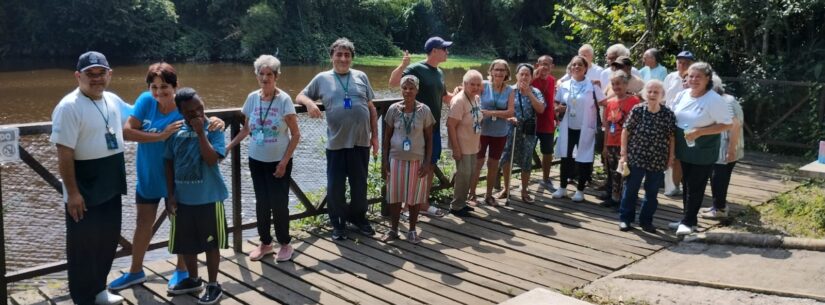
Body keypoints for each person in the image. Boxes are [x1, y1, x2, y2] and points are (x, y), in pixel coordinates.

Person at [108, 63, 224, 292]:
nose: (159, 92)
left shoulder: (181, 107)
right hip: (148, 174)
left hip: (177, 179)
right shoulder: (145, 101)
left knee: (177, 227)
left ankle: (182, 272)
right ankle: (135, 271)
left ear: (175, 86)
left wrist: (216, 119)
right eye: (155, 87)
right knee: (143, 223)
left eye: (165, 87)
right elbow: (127, 131)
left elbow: (200, 116)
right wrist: (161, 135)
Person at [51, 51, 127, 305]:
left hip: (111, 182)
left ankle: (99, 290)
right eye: (90, 74)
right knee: (83, 246)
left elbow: (143, 112)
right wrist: (72, 193)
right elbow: (64, 152)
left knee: (107, 239)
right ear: (78, 76)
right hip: (84, 186)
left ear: (109, 74)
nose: (96, 79)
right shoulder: (69, 106)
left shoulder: (112, 99)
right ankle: (82, 299)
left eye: (101, 73)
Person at [296, 38, 379, 240]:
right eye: (339, 54)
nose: (343, 58)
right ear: (332, 56)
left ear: (351, 58)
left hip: (361, 142)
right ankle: (338, 223)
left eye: (347, 55)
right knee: (335, 186)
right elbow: (300, 95)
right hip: (336, 143)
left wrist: (375, 136)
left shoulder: (361, 76)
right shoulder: (322, 78)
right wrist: (309, 104)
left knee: (359, 184)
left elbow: (371, 108)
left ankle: (359, 219)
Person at [226, 55, 301, 261]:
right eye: (262, 74)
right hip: (256, 160)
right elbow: (247, 128)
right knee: (261, 202)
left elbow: (296, 134)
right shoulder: (252, 98)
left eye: (270, 74)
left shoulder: (284, 100)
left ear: (276, 76)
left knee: (279, 203)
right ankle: (266, 243)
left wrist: (284, 162)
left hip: (279, 162)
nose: (265, 78)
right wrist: (228, 147)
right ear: (257, 76)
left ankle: (285, 243)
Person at [164, 88, 228, 304]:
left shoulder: (214, 129)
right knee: (186, 244)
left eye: (200, 108)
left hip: (209, 198)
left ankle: (213, 284)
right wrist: (170, 194)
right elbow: (168, 162)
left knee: (211, 244)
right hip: (183, 200)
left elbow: (212, 159)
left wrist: (201, 132)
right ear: (181, 112)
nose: (198, 114)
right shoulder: (174, 131)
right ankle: (193, 279)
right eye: (191, 112)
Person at [389, 36, 459, 217]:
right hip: (414, 129)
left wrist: (462, 94)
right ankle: (406, 206)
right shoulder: (416, 68)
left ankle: (422, 203)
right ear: (434, 50)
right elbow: (393, 83)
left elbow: (446, 98)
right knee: (411, 164)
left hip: (432, 128)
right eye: (444, 49)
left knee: (429, 165)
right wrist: (403, 65)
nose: (447, 52)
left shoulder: (440, 73)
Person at [669, 62, 733, 235]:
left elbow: (727, 124)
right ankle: (688, 219)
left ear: (707, 79)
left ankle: (688, 222)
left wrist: (700, 132)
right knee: (686, 184)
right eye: (690, 76)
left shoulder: (714, 99)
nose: (694, 79)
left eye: (698, 76)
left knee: (695, 185)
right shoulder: (683, 95)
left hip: (703, 148)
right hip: (685, 146)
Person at [381, 75, 435, 243]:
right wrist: (384, 162)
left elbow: (429, 138)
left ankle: (412, 230)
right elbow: (387, 137)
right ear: (401, 89)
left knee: (415, 197)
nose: (408, 91)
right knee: (395, 196)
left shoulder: (424, 110)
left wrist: (427, 162)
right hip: (396, 159)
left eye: (411, 88)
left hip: (417, 160)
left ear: (417, 90)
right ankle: (394, 230)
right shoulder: (393, 109)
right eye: (405, 88)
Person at [617, 80, 676, 232]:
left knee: (652, 193)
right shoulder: (638, 110)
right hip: (636, 156)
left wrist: (671, 157)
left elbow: (671, 137)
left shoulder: (668, 114)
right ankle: (625, 219)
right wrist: (623, 153)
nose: (652, 94)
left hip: (658, 159)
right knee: (630, 190)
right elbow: (626, 131)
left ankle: (646, 221)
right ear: (645, 94)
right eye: (649, 91)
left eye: (656, 92)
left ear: (661, 95)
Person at [552, 56, 606, 202]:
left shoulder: (592, 86)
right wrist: (558, 108)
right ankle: (562, 187)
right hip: (568, 127)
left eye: (580, 65)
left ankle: (580, 190)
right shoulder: (564, 85)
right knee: (565, 157)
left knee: (584, 158)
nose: (576, 67)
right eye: (574, 64)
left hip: (585, 128)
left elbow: (604, 102)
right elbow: (556, 102)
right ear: (570, 68)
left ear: (585, 68)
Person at [498, 64, 546, 203]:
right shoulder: (509, 90)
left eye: (527, 75)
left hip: (528, 131)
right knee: (506, 159)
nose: (524, 77)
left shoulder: (535, 91)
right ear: (517, 75)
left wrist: (529, 94)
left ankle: (524, 190)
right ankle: (506, 188)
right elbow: (501, 108)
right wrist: (508, 118)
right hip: (509, 129)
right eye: (522, 74)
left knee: (526, 160)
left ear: (531, 77)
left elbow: (541, 109)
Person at [470, 59, 514, 206]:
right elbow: (468, 90)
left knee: (493, 164)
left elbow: (510, 112)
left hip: (500, 132)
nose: (499, 73)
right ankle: (472, 195)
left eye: (502, 70)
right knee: (478, 163)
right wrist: (458, 90)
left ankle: (488, 195)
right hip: (481, 131)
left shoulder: (509, 90)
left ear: (507, 73)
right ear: (491, 71)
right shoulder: (483, 85)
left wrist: (490, 112)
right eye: (497, 69)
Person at [701, 75, 744, 219]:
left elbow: (735, 126)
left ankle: (719, 209)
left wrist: (731, 150)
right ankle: (717, 205)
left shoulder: (725, 101)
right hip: (721, 148)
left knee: (719, 179)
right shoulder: (724, 99)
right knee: (718, 178)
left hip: (725, 148)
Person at [446, 70, 484, 217]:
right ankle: (456, 206)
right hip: (461, 145)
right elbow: (450, 125)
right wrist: (455, 148)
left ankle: (462, 202)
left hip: (472, 144)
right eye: (471, 84)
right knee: (463, 174)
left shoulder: (476, 98)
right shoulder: (459, 101)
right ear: (464, 84)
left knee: (470, 174)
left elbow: (477, 120)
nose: (475, 87)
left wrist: (479, 141)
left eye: (478, 84)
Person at [601, 70, 641, 207]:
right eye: (613, 84)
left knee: (626, 172)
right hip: (612, 142)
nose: (616, 87)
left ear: (626, 84)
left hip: (627, 144)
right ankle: (615, 198)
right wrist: (605, 146)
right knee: (613, 172)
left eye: (618, 84)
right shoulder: (610, 102)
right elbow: (607, 126)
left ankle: (628, 199)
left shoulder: (634, 101)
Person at [662, 51, 695, 197]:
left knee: (682, 154)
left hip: (687, 123)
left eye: (686, 63)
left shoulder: (695, 79)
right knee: (669, 153)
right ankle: (671, 184)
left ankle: (678, 184)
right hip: (669, 120)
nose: (682, 65)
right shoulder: (670, 77)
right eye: (680, 62)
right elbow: (663, 98)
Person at [531, 55, 558, 192]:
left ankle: (546, 178)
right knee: (527, 150)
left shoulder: (554, 81)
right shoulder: (531, 80)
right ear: (537, 65)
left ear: (552, 67)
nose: (544, 67)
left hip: (547, 122)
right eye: (542, 64)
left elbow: (554, 100)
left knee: (547, 151)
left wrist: (556, 114)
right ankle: (525, 180)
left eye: (547, 64)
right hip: (532, 122)